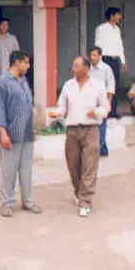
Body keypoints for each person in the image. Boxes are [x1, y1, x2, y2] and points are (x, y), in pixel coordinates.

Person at [47, 56, 109, 218]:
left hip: (91, 130)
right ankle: (78, 191)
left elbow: (105, 107)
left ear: (85, 68)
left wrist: (96, 113)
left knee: (89, 166)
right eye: (73, 65)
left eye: (76, 65)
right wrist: (56, 113)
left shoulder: (97, 86)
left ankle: (85, 201)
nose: (73, 68)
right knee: (73, 165)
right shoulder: (68, 85)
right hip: (72, 130)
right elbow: (62, 107)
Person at [0, 51, 41, 218]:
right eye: (26, 63)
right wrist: (3, 133)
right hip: (11, 133)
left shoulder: (24, 81)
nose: (28, 66)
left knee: (26, 169)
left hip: (27, 132)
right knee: (9, 170)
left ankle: (27, 201)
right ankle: (6, 203)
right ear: (16, 63)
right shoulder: (2, 82)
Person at [0, 18, 21, 122]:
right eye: (3, 25)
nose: (5, 27)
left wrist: (16, 71)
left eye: (7, 25)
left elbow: (17, 56)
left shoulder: (12, 38)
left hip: (10, 72)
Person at [93, 7, 125, 118]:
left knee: (114, 85)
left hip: (115, 60)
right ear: (112, 16)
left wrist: (123, 60)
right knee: (103, 85)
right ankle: (103, 110)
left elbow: (120, 45)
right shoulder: (101, 28)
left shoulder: (117, 29)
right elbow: (98, 45)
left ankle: (113, 111)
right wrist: (98, 61)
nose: (120, 17)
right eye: (118, 15)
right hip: (105, 59)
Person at [88, 46, 116, 157]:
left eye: (95, 55)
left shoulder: (106, 69)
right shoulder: (88, 69)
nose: (92, 58)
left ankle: (100, 147)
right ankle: (102, 150)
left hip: (102, 101)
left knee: (101, 125)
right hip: (90, 100)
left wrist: (108, 103)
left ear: (100, 56)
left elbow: (111, 86)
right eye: (91, 55)